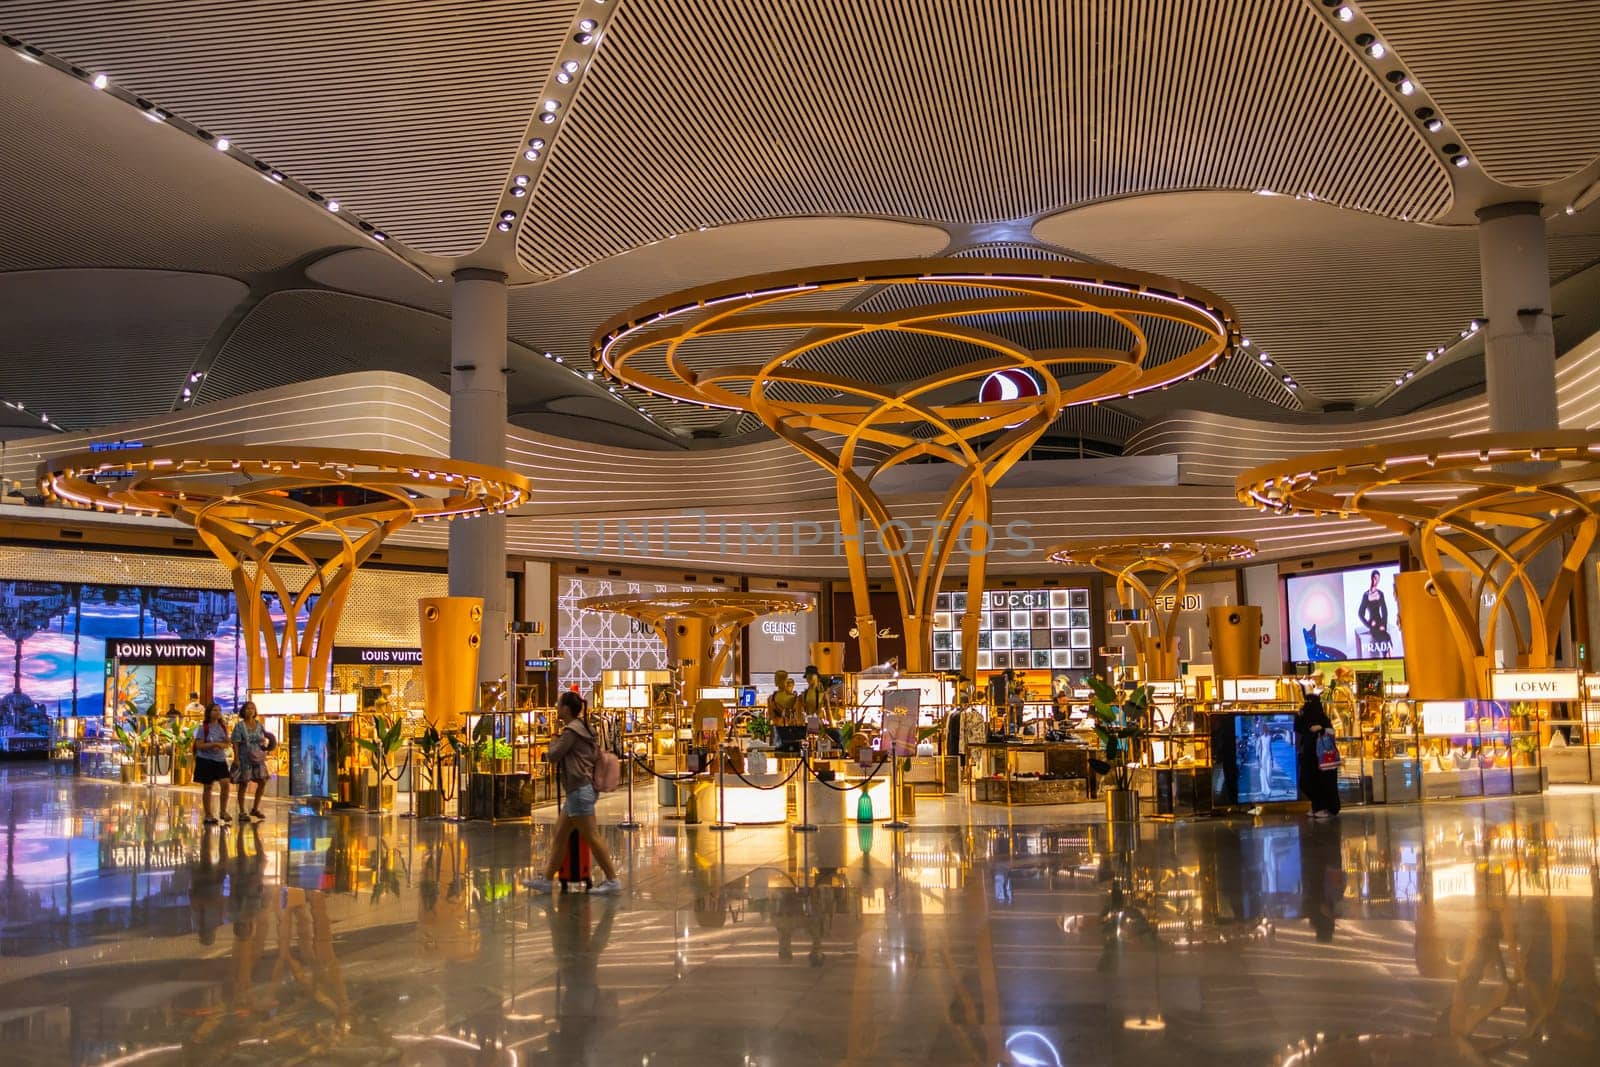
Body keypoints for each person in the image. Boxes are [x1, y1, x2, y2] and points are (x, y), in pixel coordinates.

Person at [525, 691, 621, 894]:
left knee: (592, 837)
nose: (557, 708)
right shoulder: (586, 728)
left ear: (566, 709)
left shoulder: (571, 732)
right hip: (579, 790)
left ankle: (612, 880)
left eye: (559, 705)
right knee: (560, 835)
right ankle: (547, 879)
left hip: (579, 790)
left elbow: (553, 755)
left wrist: (552, 740)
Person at [1295, 692, 1340, 819]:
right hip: (1310, 756)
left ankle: (1321, 806)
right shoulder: (1307, 717)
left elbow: (1330, 732)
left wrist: (1321, 729)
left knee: (1316, 782)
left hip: (1320, 758)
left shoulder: (1321, 719)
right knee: (1307, 781)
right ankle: (1317, 805)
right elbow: (1298, 728)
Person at [230, 700, 270, 821]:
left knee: (262, 781)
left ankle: (255, 808)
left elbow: (264, 738)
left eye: (252, 708)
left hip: (257, 756)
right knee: (244, 783)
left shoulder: (259, 724)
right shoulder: (240, 726)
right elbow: (235, 743)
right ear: (243, 711)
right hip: (244, 757)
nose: (250, 711)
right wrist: (236, 758)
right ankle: (242, 811)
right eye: (247, 708)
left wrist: (265, 748)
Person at [194, 702, 233, 824]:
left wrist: (222, 745)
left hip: (220, 759)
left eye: (219, 710)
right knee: (208, 786)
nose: (217, 712)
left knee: (225, 783)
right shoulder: (203, 728)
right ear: (209, 713)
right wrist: (213, 745)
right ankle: (208, 814)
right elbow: (199, 745)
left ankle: (223, 811)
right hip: (206, 760)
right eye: (214, 710)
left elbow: (227, 743)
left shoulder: (223, 727)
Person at [1357, 569, 1391, 651]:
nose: (1376, 580)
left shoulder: (1380, 593)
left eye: (1378, 579)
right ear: (1371, 578)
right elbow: (1360, 613)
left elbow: (1384, 611)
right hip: (1373, 624)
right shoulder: (1366, 595)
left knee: (1387, 639)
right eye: (1375, 578)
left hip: (1380, 622)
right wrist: (1368, 625)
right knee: (1379, 640)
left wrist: (1384, 625)